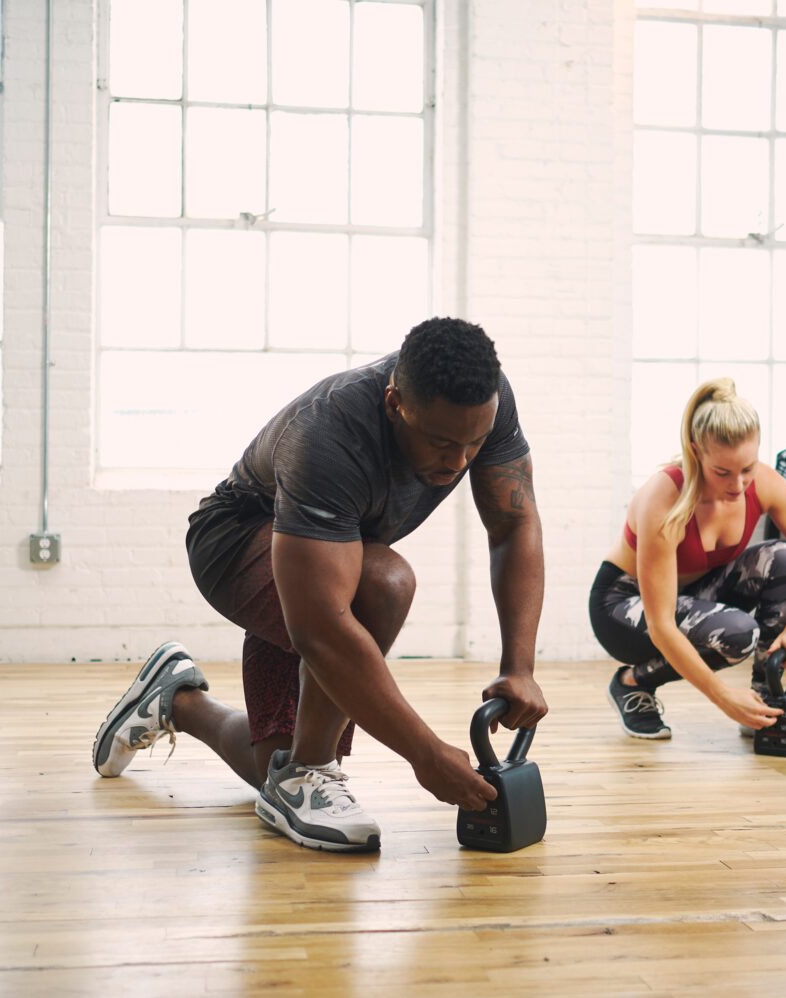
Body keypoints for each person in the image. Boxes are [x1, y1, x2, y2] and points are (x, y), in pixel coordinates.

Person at [92, 318, 547, 853]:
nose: (458, 462)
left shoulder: (486, 402)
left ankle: (177, 700)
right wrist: (424, 754)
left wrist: (519, 668)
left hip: (330, 556)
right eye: (441, 442)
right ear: (395, 402)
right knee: (386, 583)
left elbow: (514, 524)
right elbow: (321, 632)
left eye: (474, 443)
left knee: (270, 764)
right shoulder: (327, 434)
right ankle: (307, 773)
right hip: (235, 543)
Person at [590, 377, 786, 742]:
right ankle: (630, 683)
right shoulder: (664, 495)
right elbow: (661, 625)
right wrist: (724, 699)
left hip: (693, 600)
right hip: (624, 608)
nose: (738, 485)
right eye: (723, 472)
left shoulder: (765, 482)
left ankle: (765, 701)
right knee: (738, 633)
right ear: (695, 452)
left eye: (747, 469)